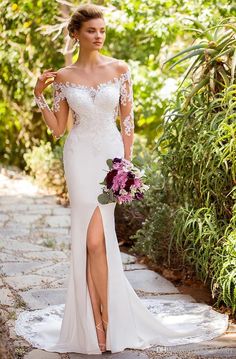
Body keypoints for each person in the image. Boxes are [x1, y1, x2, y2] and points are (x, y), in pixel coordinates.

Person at [15, 3, 229, 355]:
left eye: (102, 30)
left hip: (111, 159)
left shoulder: (120, 69)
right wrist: (39, 93)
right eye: (91, 31)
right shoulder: (65, 78)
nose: (98, 36)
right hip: (79, 156)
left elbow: (127, 121)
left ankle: (105, 321)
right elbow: (57, 130)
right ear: (76, 34)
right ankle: (97, 322)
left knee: (97, 241)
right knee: (89, 242)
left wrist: (125, 165)